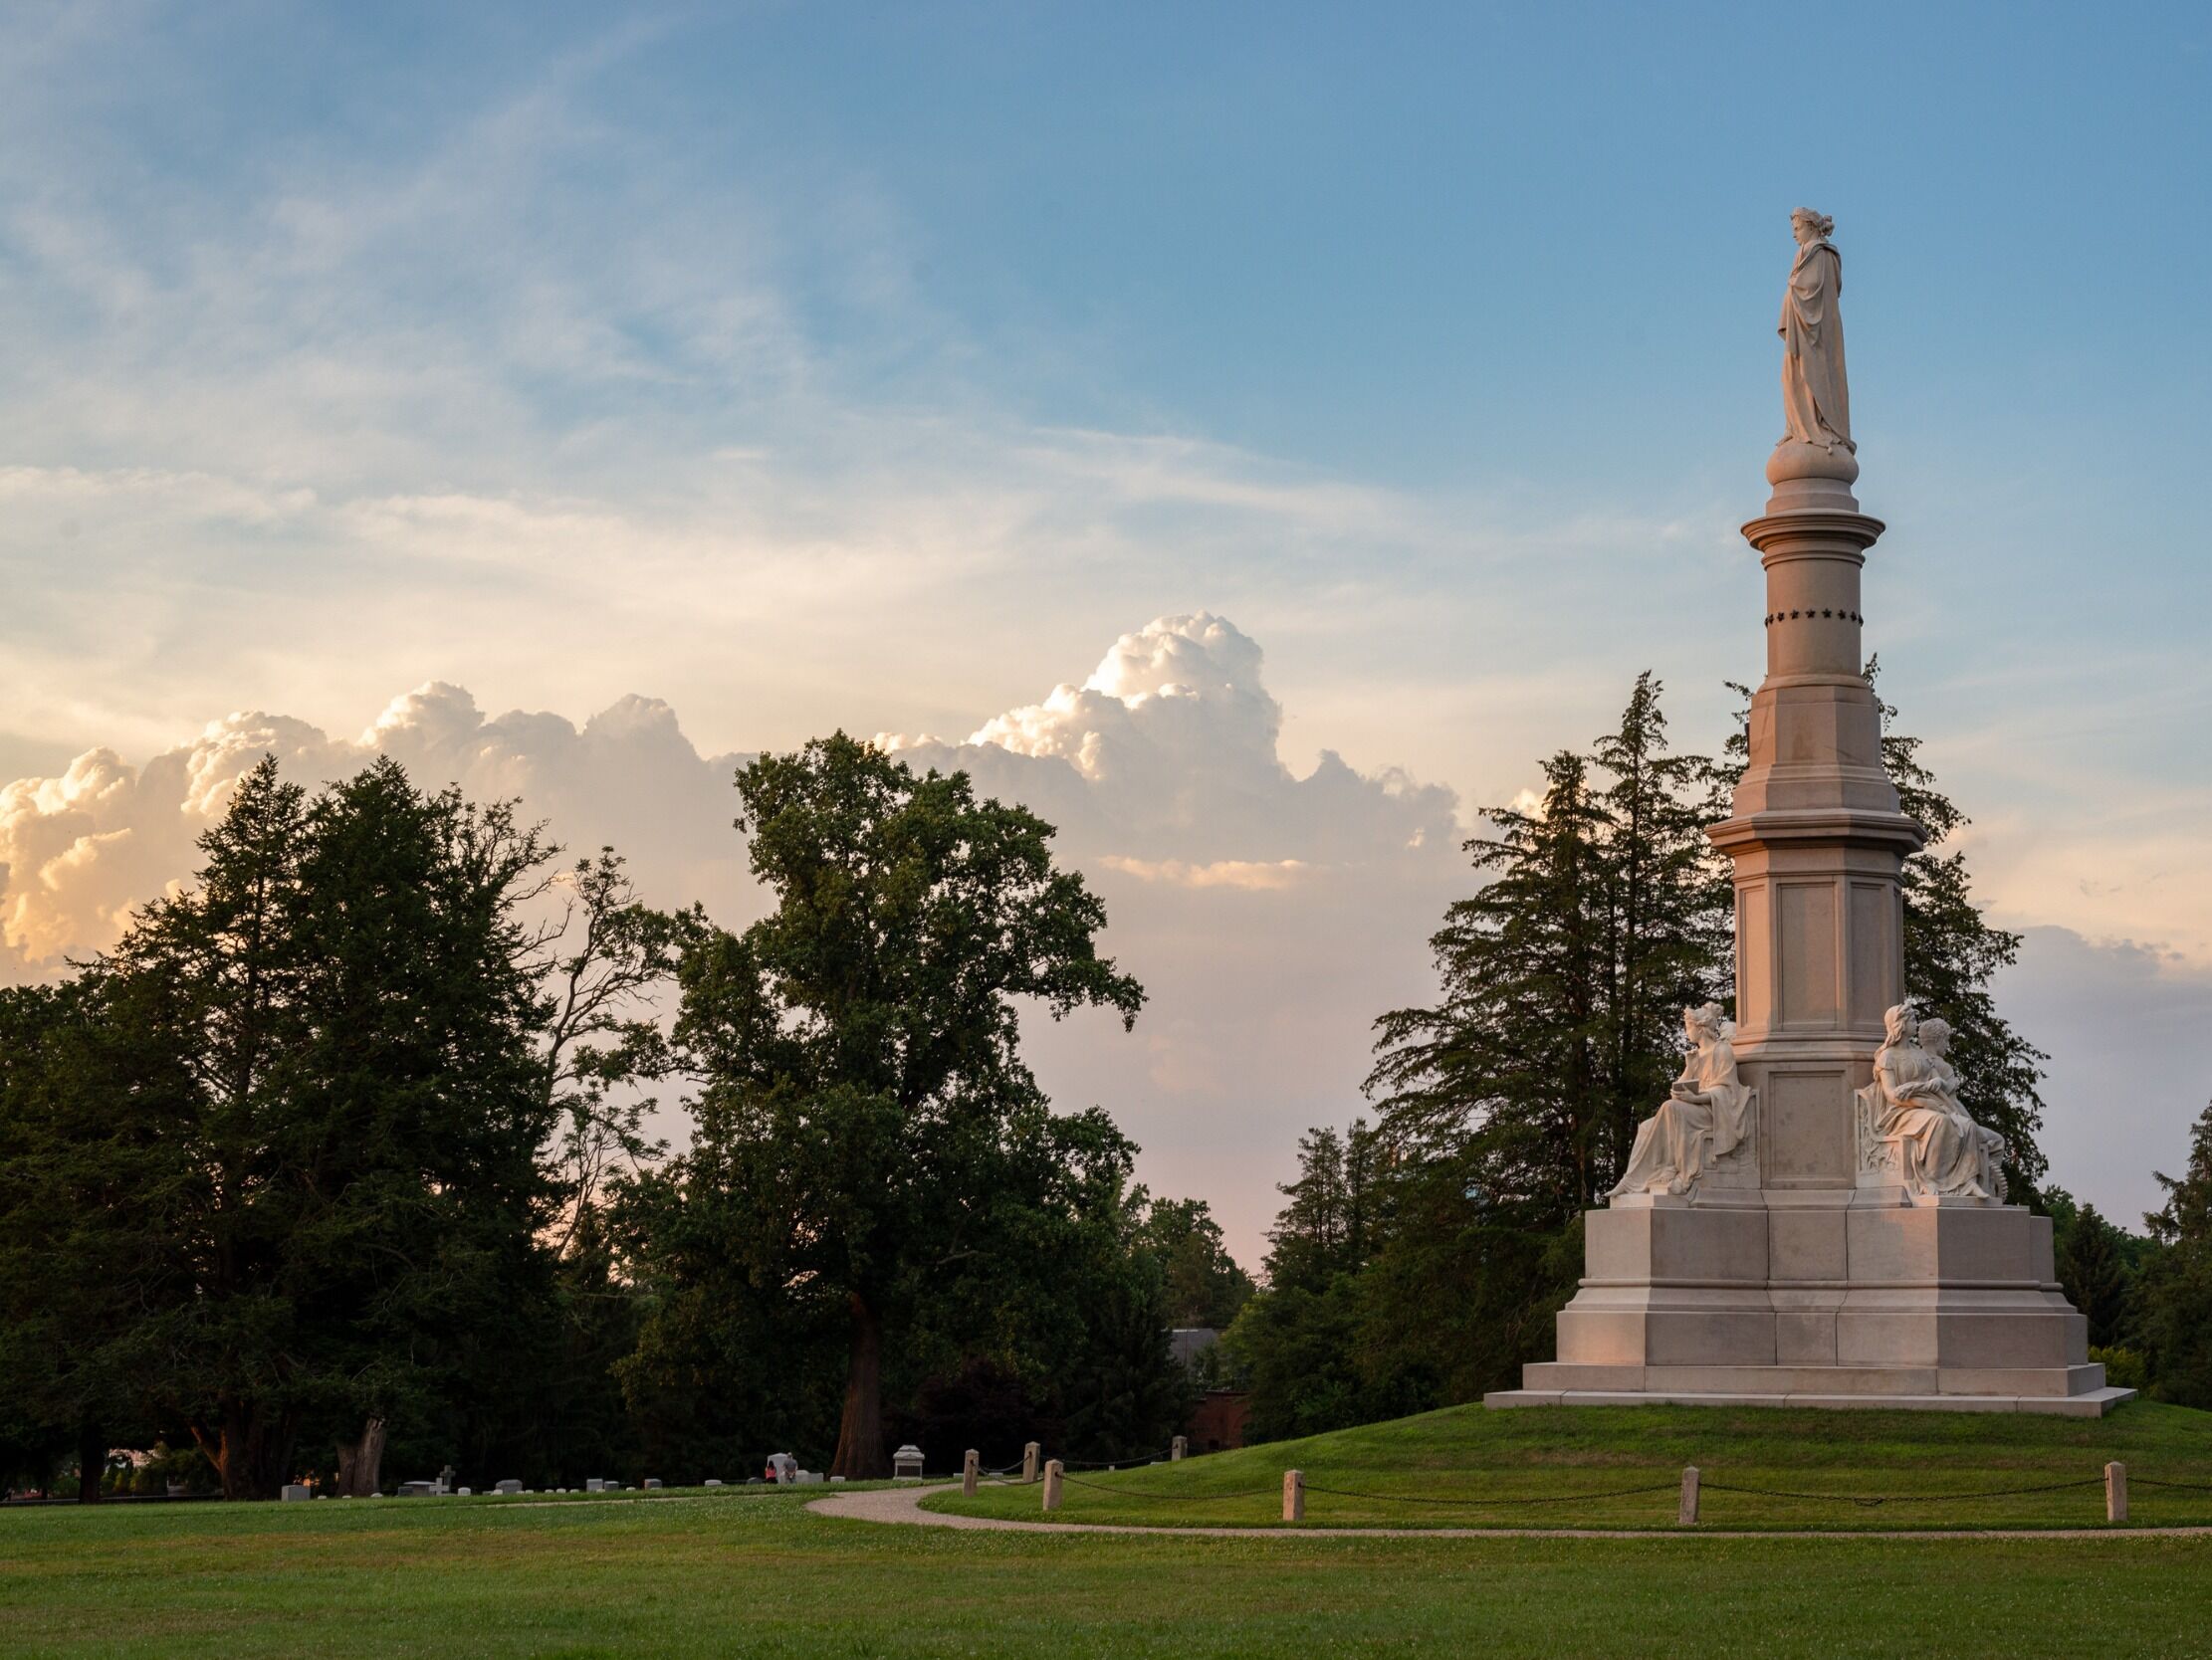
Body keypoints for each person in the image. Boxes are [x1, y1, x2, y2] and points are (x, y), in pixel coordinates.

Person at [1608, 1003, 1755, 1198]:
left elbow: (1726, 1090)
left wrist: (1695, 1098)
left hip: (1714, 1111)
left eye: (1688, 1027)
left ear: (1700, 1028)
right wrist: (1688, 1070)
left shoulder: (1722, 1052)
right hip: (1692, 1109)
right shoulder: (1696, 1056)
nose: (1686, 1032)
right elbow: (1680, 1088)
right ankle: (1636, 1179)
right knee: (1645, 1127)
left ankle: (1681, 1175)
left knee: (1671, 1108)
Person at [1871, 1005, 2000, 1199]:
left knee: (1968, 1126)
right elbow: (1891, 1095)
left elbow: (1936, 1083)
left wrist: (1943, 1086)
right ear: (1900, 1025)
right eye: (1912, 1020)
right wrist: (1922, 1101)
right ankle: (1931, 1179)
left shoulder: (1919, 1054)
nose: (1916, 1024)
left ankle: (1968, 1182)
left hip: (1930, 1105)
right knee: (1939, 1122)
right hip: (1900, 1112)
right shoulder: (1887, 1056)